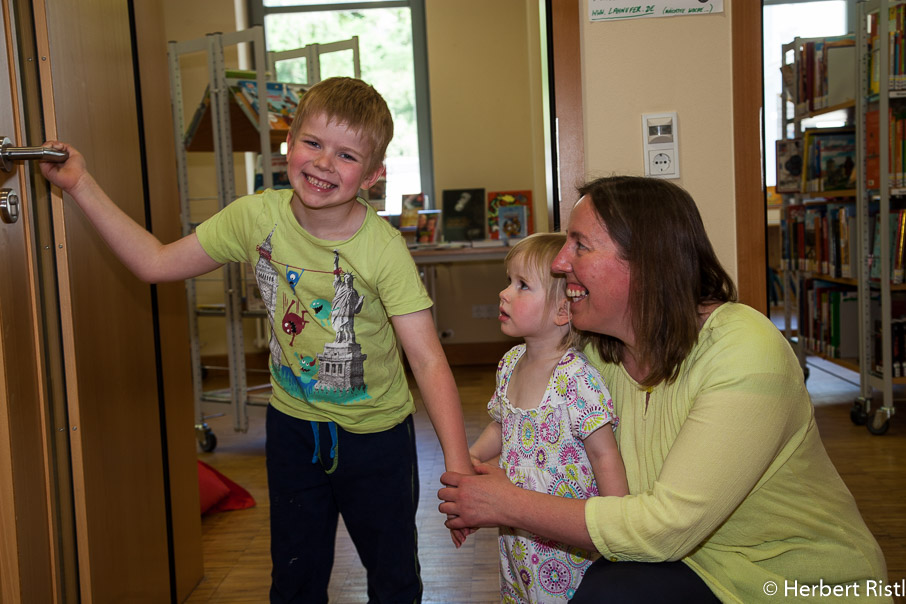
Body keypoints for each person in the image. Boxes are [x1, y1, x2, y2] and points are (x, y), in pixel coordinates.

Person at [40, 76, 474, 604]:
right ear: (288, 143)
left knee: (394, 579)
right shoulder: (255, 217)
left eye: (346, 155)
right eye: (313, 143)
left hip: (376, 437)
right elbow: (154, 263)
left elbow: (427, 361)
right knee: (294, 579)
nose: (322, 164)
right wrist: (81, 183)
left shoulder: (382, 250)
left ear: (374, 175)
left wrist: (457, 473)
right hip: (293, 428)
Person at [440, 176, 891, 603]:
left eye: (580, 246)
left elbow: (664, 528)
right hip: (687, 565)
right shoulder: (591, 358)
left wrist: (509, 503)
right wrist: (475, 478)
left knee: (609, 592)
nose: (560, 262)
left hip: (794, 585)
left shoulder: (744, 349)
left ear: (648, 263)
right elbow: (529, 427)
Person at [468, 232, 628, 602]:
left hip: (566, 546)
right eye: (509, 281)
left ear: (561, 311)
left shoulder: (576, 378)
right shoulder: (509, 364)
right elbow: (503, 424)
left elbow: (604, 454)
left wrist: (619, 526)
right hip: (518, 537)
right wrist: (472, 457)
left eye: (522, 285)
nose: (504, 293)